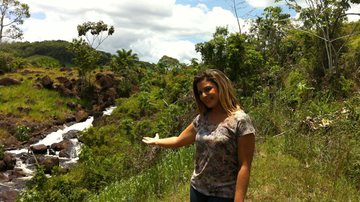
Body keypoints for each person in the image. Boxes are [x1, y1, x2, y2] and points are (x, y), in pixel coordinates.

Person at [142, 69, 255, 202]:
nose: (203, 95)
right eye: (200, 92)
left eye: (208, 89)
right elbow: (179, 140)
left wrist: (239, 200)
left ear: (221, 87)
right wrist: (157, 141)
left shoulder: (240, 120)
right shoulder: (202, 119)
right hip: (197, 189)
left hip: (223, 193)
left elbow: (245, 165)